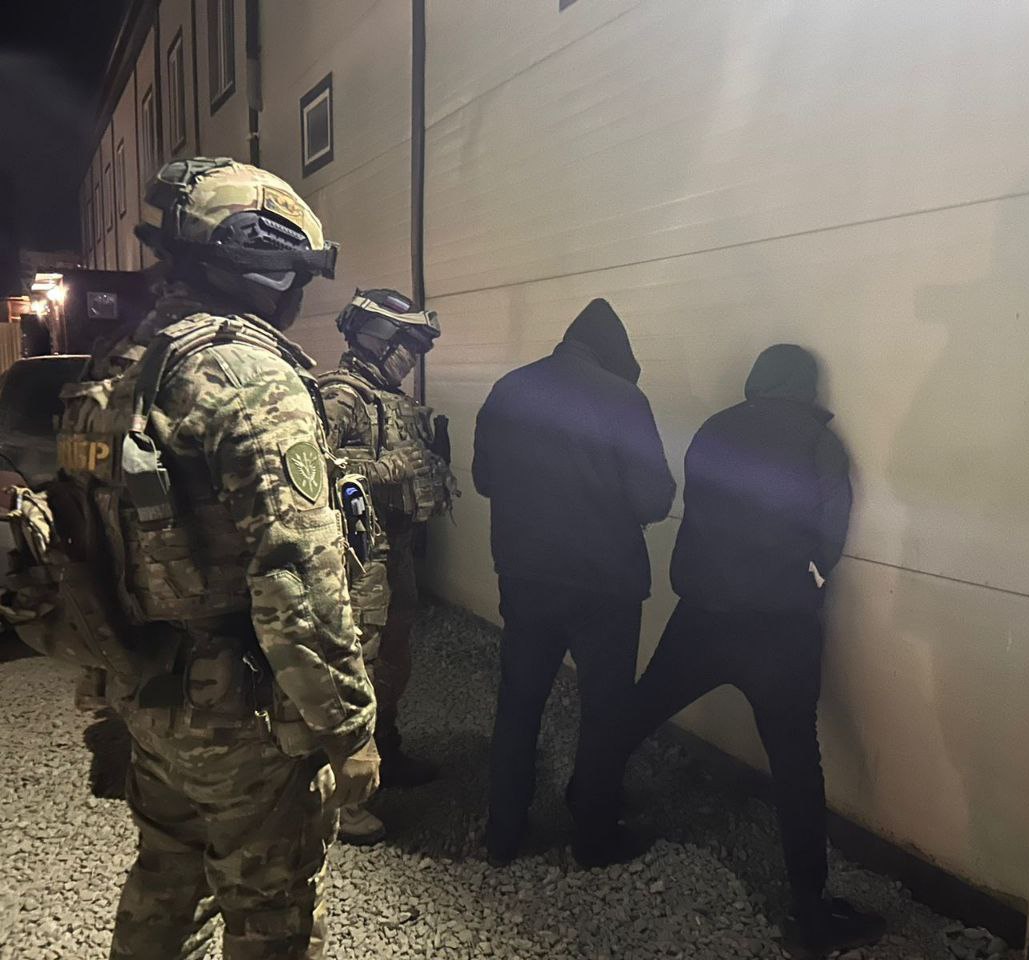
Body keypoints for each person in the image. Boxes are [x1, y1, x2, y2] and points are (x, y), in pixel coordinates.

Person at [53, 158, 378, 959]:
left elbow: (80, 538)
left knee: (168, 881)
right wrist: (350, 729)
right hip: (242, 714)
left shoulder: (118, 366)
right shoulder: (250, 377)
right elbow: (297, 581)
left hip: (146, 685)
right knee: (271, 912)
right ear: (268, 271)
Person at [618, 344, 885, 954]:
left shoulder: (714, 428)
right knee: (796, 763)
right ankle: (810, 914)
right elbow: (830, 535)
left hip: (703, 612)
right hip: (779, 626)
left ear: (757, 381)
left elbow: (697, 503)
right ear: (806, 387)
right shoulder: (821, 444)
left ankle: (588, 797)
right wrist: (805, 579)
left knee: (643, 705)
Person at [472, 297, 675, 868]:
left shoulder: (509, 389)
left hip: (526, 576)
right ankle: (593, 836)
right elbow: (653, 500)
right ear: (614, 353)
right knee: (605, 710)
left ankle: (504, 832)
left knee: (519, 702)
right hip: (604, 585)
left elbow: (484, 478)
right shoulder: (624, 398)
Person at [318, 287, 455, 845]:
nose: (411, 358)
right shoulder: (340, 395)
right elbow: (309, 472)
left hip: (394, 549)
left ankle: (386, 757)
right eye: (407, 345)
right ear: (377, 338)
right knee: (358, 665)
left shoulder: (388, 398)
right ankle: (344, 799)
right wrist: (384, 469)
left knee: (394, 661)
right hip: (359, 557)